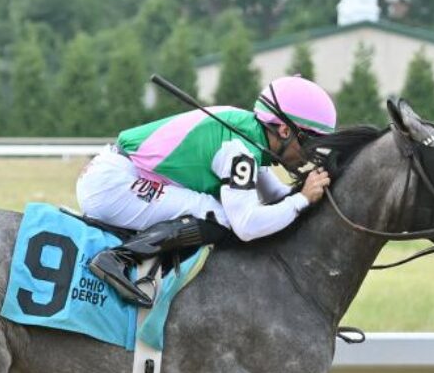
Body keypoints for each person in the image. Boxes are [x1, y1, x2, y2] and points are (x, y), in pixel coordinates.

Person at [77, 74, 336, 307]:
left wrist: (311, 195)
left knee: (215, 210)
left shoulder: (250, 136)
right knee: (219, 215)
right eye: (309, 141)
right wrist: (301, 199)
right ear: (284, 130)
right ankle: (118, 259)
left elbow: (276, 196)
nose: (310, 154)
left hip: (115, 175)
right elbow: (246, 226)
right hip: (114, 186)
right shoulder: (239, 150)